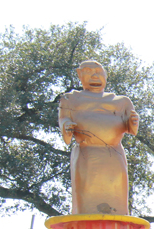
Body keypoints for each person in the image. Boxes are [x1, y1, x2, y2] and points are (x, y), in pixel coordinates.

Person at [59, 60, 139, 216]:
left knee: (117, 198)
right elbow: (64, 119)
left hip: (113, 154)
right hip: (87, 154)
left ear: (106, 75)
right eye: (89, 71)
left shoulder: (121, 101)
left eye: (99, 71)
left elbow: (131, 127)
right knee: (86, 196)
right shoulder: (70, 99)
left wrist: (133, 122)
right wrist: (67, 126)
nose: (95, 76)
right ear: (79, 74)